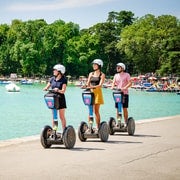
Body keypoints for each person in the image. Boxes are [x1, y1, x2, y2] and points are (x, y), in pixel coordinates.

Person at [43, 64, 67, 131]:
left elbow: (63, 91)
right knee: (54, 116)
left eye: (55, 70)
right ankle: (54, 131)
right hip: (53, 98)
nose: (53, 71)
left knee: (61, 116)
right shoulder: (52, 79)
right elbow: (47, 86)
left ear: (60, 71)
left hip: (61, 98)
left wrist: (58, 90)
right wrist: (45, 88)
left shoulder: (63, 79)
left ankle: (64, 130)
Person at [83, 59, 105, 129]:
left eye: (95, 64)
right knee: (90, 110)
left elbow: (100, 85)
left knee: (96, 111)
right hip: (90, 93)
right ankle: (90, 126)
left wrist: (92, 87)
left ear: (99, 65)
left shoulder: (102, 75)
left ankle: (98, 127)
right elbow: (87, 83)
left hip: (97, 93)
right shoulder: (91, 74)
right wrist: (85, 86)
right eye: (93, 64)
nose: (93, 66)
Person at [111, 63, 132, 127]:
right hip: (117, 94)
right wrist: (112, 86)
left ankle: (126, 122)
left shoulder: (127, 75)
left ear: (122, 68)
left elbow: (130, 83)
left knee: (124, 108)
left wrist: (125, 87)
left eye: (119, 67)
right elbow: (113, 82)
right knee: (117, 108)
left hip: (124, 94)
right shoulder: (116, 75)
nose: (117, 68)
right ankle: (119, 121)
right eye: (117, 67)